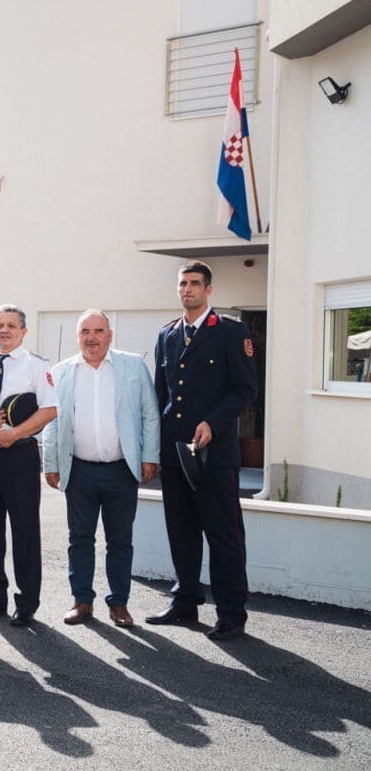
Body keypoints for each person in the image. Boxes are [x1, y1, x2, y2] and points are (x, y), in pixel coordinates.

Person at [148, 260, 257, 640]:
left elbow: (244, 390)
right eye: (182, 283)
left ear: (208, 289)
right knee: (181, 531)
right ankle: (185, 601)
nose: (187, 289)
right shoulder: (167, 335)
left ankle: (231, 613)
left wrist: (213, 421)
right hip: (176, 453)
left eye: (195, 283)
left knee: (223, 535)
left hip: (214, 455)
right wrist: (155, 449)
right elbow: (160, 396)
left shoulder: (230, 331)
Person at [41, 309, 159, 628]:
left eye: (98, 331)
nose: (91, 338)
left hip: (121, 471)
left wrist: (150, 456)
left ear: (110, 335)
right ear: (77, 336)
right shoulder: (61, 372)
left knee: (120, 540)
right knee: (79, 539)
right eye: (85, 332)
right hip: (79, 471)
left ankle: (119, 604)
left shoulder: (132, 366)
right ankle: (82, 601)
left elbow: (149, 413)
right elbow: (52, 420)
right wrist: (50, 462)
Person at [0, 304, 58, 627]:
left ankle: (27, 602)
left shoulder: (36, 366)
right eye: (0, 326)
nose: (5, 330)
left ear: (23, 331)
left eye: (11, 326)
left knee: (24, 529)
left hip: (19, 456)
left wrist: (14, 434)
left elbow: (50, 409)